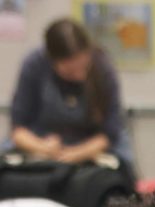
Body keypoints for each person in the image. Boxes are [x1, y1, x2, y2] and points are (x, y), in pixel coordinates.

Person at [7, 17, 133, 169]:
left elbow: (111, 132)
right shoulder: (34, 65)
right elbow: (18, 129)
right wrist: (42, 147)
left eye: (83, 68)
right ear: (52, 61)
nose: (80, 76)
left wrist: (76, 154)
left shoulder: (102, 66)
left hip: (92, 149)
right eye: (70, 72)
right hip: (43, 147)